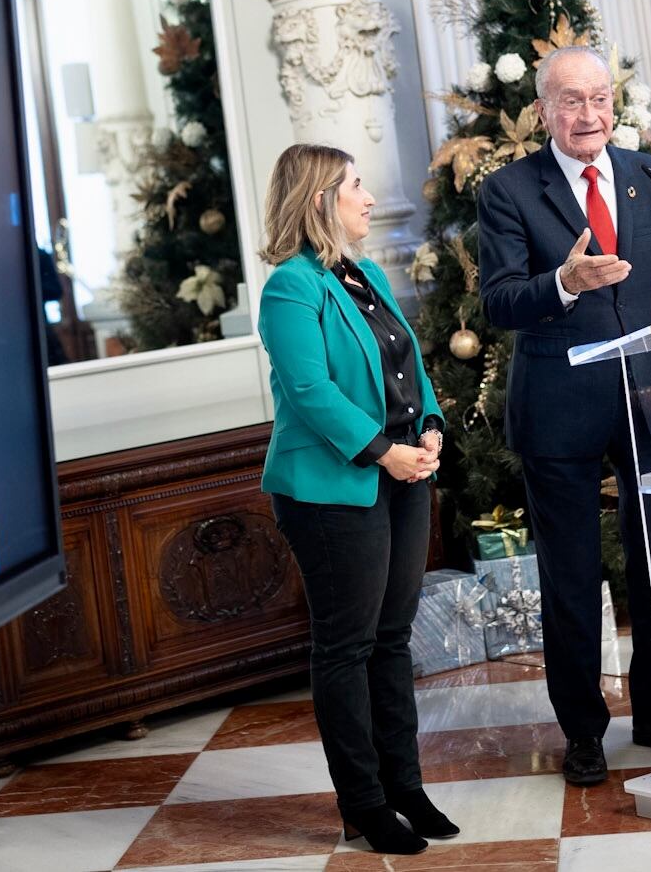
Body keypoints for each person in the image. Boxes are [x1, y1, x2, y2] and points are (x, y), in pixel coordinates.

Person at [476, 47, 651, 788]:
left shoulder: (646, 176)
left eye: (600, 99)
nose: (589, 115)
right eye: (572, 101)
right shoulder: (509, 191)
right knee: (570, 576)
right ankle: (583, 733)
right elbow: (500, 301)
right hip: (559, 409)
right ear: (543, 110)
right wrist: (562, 282)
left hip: (649, 399)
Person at [257, 144, 455, 856]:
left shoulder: (366, 272)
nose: (370, 198)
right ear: (320, 200)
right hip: (333, 488)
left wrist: (429, 427)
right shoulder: (290, 286)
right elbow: (310, 392)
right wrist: (383, 451)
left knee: (394, 638)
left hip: (402, 475)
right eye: (356, 186)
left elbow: (411, 366)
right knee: (347, 645)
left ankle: (405, 787)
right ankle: (364, 804)